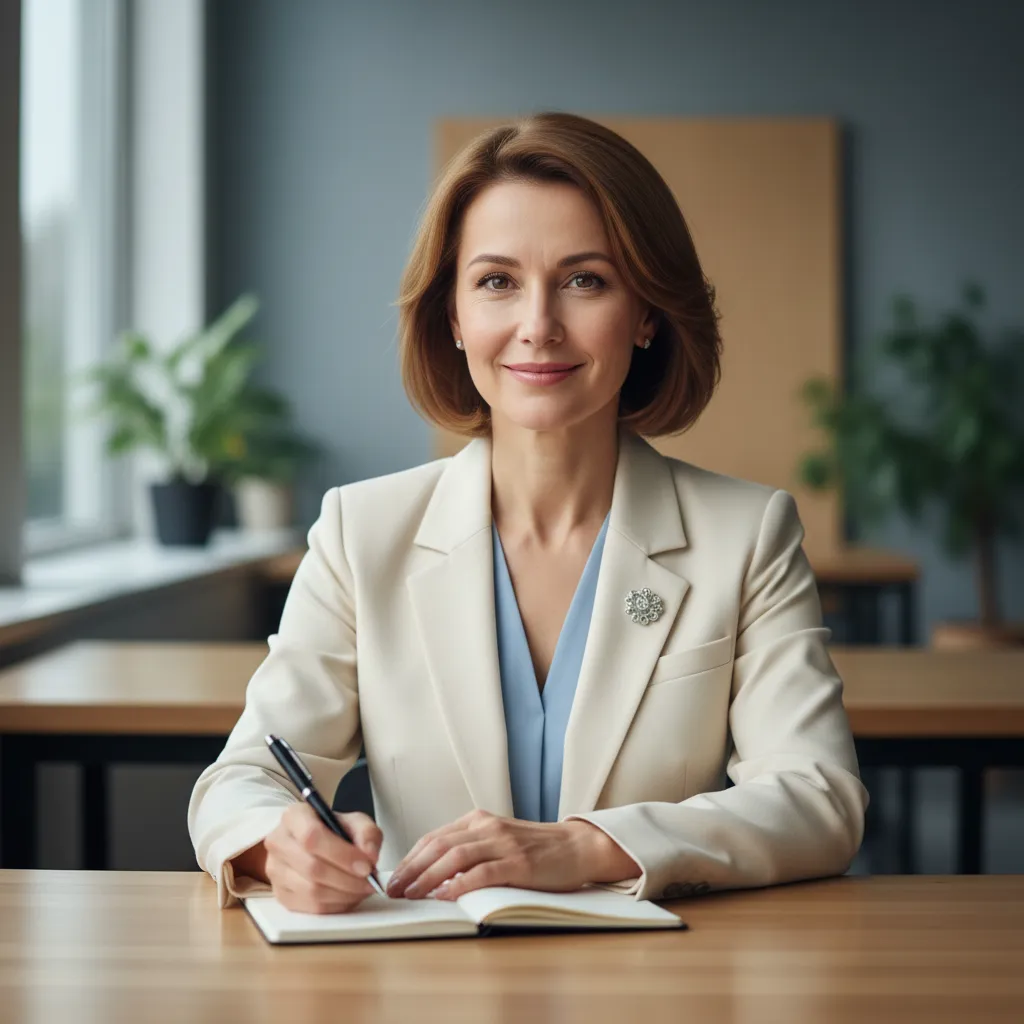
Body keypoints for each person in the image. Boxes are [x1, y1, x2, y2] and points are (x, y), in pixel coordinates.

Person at [188, 111, 867, 912]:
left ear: (646, 313)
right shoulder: (360, 531)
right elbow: (243, 779)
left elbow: (820, 798)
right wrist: (279, 846)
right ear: (454, 316)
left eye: (585, 280)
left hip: (659, 984)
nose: (538, 326)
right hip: (428, 982)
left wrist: (584, 847)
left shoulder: (746, 535)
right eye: (496, 282)